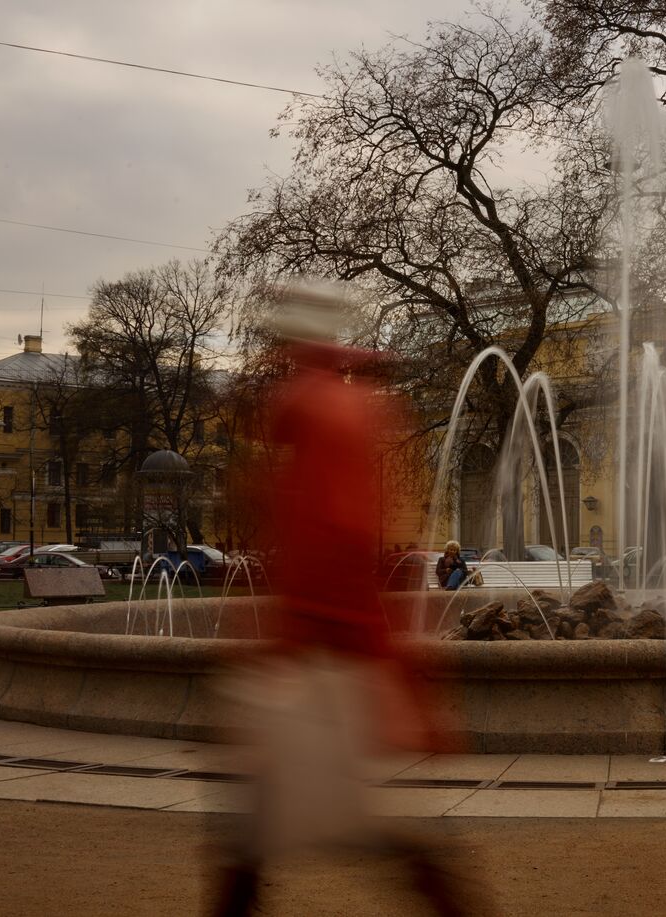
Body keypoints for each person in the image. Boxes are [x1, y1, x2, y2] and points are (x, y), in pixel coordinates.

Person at [209, 280, 470, 917]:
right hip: (323, 648)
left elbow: (336, 544)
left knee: (328, 822)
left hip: (322, 657)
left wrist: (357, 656)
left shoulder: (322, 413)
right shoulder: (336, 408)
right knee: (264, 821)